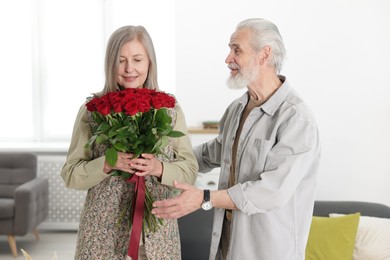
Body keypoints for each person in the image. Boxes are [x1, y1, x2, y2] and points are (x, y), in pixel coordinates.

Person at [152, 18, 321, 260]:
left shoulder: (296, 118)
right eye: (230, 49)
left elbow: (271, 192)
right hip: (228, 245)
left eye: (236, 50)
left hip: (269, 252)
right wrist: (161, 164)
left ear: (264, 55)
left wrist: (204, 198)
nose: (228, 58)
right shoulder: (238, 107)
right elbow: (213, 153)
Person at [61, 25, 198, 260]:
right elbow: (70, 174)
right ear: (110, 64)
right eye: (121, 60)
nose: (129, 69)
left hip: (159, 239)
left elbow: (190, 170)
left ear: (149, 63)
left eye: (137, 59)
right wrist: (107, 163)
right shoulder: (91, 111)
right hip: (101, 237)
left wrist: (159, 168)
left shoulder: (170, 108)